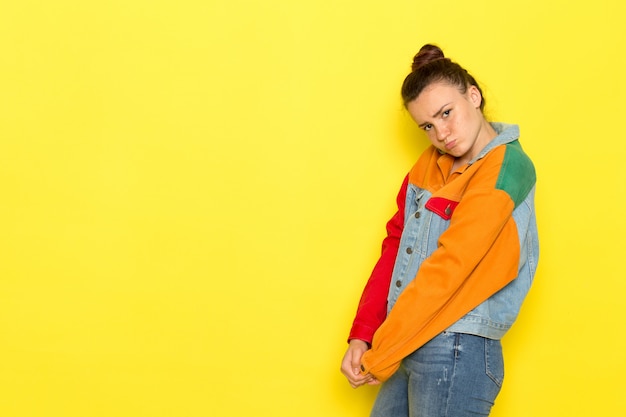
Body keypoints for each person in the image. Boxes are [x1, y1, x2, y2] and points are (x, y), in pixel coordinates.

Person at [340, 44, 539, 417]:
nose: (441, 133)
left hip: (456, 346)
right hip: (406, 341)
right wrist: (363, 334)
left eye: (446, 113)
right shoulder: (427, 165)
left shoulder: (504, 167)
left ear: (474, 96)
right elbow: (396, 246)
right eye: (427, 126)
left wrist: (383, 349)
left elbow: (451, 267)